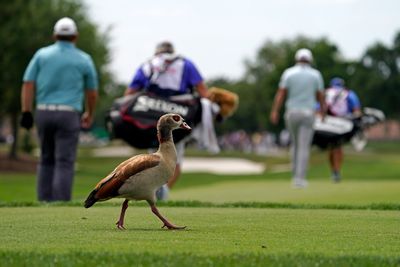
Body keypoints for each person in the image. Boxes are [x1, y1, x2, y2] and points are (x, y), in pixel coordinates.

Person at [20, 17, 98, 201]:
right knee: (64, 161)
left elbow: (28, 83)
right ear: (75, 36)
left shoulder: (41, 55)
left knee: (46, 159)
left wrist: (26, 111)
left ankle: (43, 202)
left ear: (55, 35)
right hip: (68, 114)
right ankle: (60, 203)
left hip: (43, 112)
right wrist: (90, 113)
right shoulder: (84, 59)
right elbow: (92, 92)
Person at [125, 41, 208, 199]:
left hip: (150, 119)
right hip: (178, 117)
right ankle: (162, 194)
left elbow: (129, 93)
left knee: (154, 156)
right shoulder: (186, 64)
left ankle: (156, 192)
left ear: (157, 52)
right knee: (174, 160)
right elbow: (204, 92)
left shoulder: (148, 65)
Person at [270, 48, 326, 188]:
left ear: (297, 59)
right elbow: (320, 96)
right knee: (304, 146)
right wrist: (323, 111)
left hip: (292, 113)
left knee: (295, 144)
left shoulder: (288, 73)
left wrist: (275, 111)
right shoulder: (315, 75)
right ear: (310, 60)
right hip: (308, 113)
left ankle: (295, 176)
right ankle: (300, 179)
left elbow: (281, 94)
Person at [325, 77, 361, 182]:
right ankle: (336, 172)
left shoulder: (327, 93)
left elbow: (318, 108)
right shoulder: (349, 93)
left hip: (329, 123)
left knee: (332, 147)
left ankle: (334, 171)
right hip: (343, 123)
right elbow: (356, 110)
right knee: (338, 147)